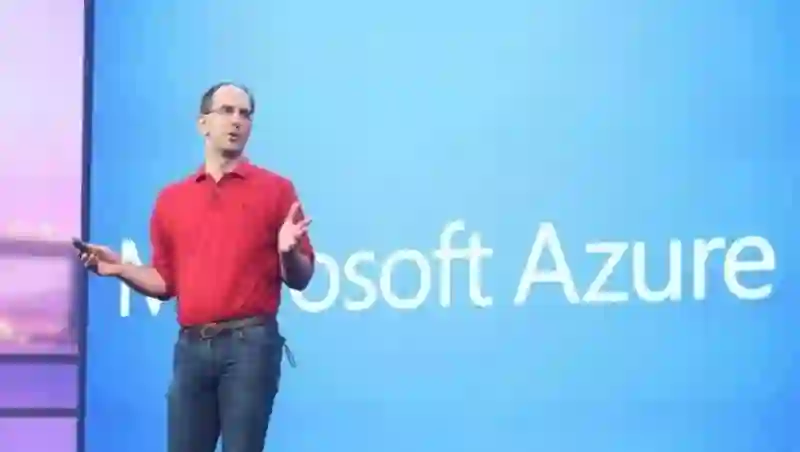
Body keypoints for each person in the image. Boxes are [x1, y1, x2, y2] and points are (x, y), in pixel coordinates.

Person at [79, 82, 315, 452]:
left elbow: (301, 278)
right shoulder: (172, 199)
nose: (237, 121)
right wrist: (120, 268)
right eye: (227, 111)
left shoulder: (276, 190)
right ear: (202, 123)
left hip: (250, 346)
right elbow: (164, 282)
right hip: (191, 349)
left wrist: (287, 253)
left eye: (245, 114)